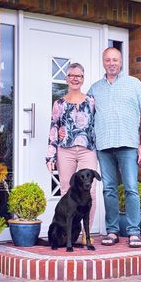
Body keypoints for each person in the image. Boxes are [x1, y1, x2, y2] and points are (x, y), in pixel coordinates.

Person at [88, 47, 141, 248]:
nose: (111, 63)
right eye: (108, 60)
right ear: (103, 62)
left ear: (121, 62)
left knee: (131, 188)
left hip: (128, 145)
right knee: (108, 189)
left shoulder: (134, 84)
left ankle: (134, 232)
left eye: (115, 60)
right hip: (104, 145)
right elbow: (87, 117)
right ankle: (113, 231)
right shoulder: (94, 88)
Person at [46, 63, 98, 242]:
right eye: (72, 75)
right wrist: (50, 155)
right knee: (67, 191)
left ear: (83, 79)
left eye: (79, 76)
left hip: (87, 150)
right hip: (65, 150)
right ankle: (67, 235)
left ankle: (86, 235)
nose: (75, 78)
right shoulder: (59, 103)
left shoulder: (91, 101)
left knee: (90, 192)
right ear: (66, 78)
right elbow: (54, 128)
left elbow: (97, 125)